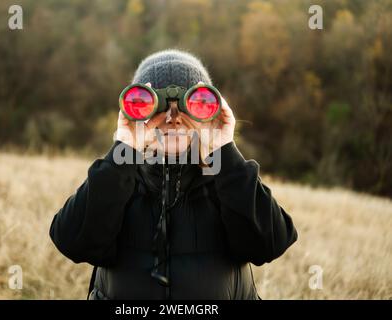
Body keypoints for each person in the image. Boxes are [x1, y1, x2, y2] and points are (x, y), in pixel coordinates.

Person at [49, 49, 298, 300]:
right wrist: (124, 150)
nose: (173, 119)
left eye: (192, 105)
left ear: (211, 113)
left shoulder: (226, 182)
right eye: (153, 106)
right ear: (135, 114)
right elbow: (72, 242)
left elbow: (269, 245)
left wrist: (224, 152)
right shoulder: (118, 182)